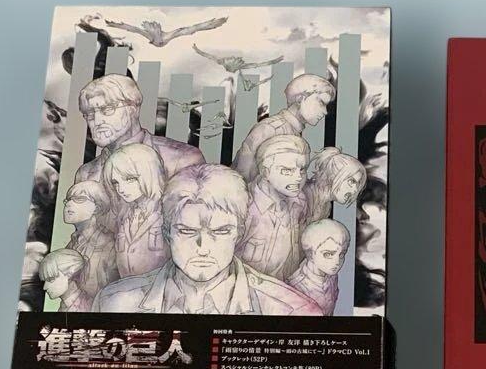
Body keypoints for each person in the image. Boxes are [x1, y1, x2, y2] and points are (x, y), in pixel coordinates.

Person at [92, 164, 322, 315]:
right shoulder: (114, 302)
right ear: (167, 232)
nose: (203, 248)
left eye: (220, 231)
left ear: (239, 233)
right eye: (187, 231)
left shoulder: (294, 310)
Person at [74, 74, 203, 187]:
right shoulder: (86, 174)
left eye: (107, 109)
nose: (97, 120)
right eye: (90, 114)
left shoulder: (183, 159)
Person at [232, 73, 334, 183]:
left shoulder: (291, 130)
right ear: (300, 98)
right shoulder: (271, 129)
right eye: (321, 102)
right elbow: (243, 177)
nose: (325, 111)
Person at [237, 135, 310, 280]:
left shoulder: (299, 203)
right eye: (287, 171)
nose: (298, 177)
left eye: (302, 170)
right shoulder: (243, 205)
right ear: (265, 172)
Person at [103, 143, 169, 277]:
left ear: (149, 173)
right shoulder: (124, 216)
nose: (121, 189)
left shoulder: (169, 211)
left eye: (129, 179)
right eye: (116, 182)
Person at [61, 180, 118, 298]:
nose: (69, 204)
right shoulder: (73, 243)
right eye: (68, 200)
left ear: (97, 207)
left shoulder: (108, 244)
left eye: (79, 199)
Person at [288, 219, 350, 315]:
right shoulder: (296, 287)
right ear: (310, 254)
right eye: (328, 254)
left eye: (341, 254)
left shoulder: (332, 276)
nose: (337, 261)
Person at [303, 147, 366, 222]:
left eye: (357, 184)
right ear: (333, 176)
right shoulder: (303, 196)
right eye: (351, 181)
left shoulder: (326, 207)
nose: (355, 189)